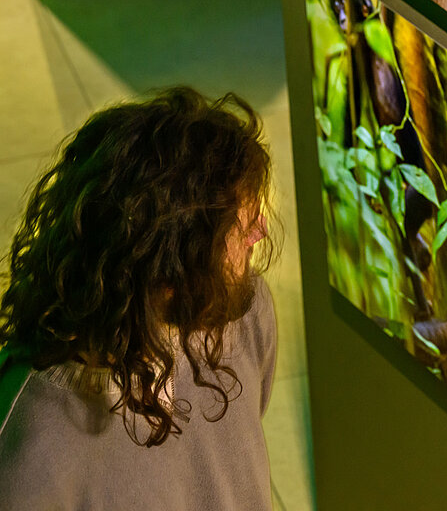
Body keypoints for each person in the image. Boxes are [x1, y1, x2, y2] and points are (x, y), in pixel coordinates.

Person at [0, 87, 278, 510]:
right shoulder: (28, 445)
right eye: (236, 226)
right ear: (167, 263)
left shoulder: (248, 310)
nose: (259, 229)